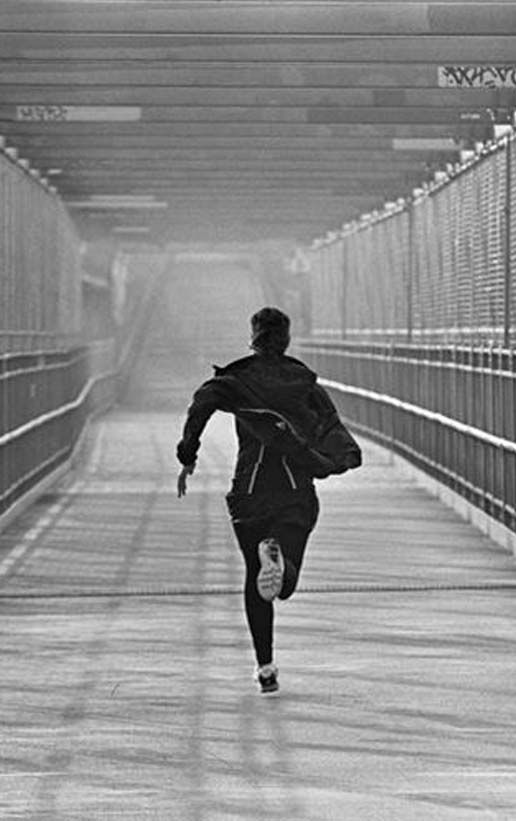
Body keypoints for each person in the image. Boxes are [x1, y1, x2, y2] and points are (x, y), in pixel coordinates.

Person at [176, 306, 360, 694]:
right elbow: (331, 427)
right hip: (294, 490)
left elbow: (201, 403)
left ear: (253, 338)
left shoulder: (236, 381)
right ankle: (277, 556)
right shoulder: (306, 384)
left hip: (249, 493)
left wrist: (188, 454)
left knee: (255, 582)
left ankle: (266, 668)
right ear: (287, 339)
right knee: (283, 582)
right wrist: (336, 459)